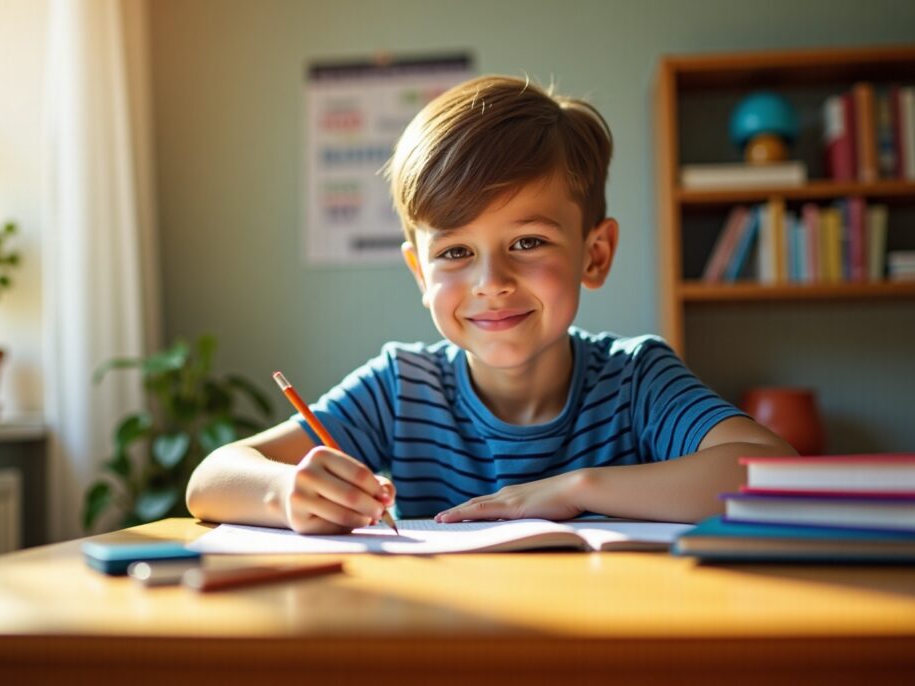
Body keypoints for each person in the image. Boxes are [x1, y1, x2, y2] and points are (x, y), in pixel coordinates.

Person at [186, 75, 794, 534]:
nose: (491, 281)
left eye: (528, 242)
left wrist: (577, 489)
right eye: (454, 253)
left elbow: (772, 474)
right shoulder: (401, 388)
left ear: (595, 253)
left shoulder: (635, 381)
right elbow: (212, 479)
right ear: (418, 271)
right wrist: (287, 491)